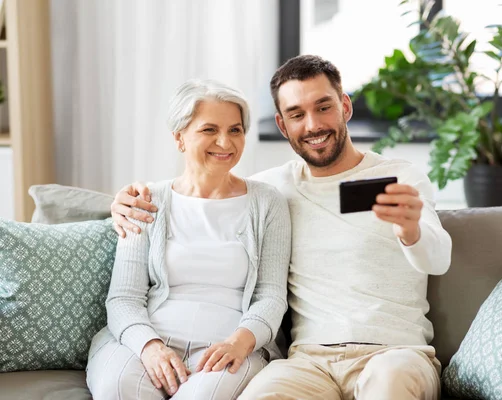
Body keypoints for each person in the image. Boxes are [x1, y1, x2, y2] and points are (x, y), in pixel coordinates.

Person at [111, 55, 452, 400]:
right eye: (296, 115)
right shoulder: (272, 191)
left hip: (393, 355)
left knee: (388, 388)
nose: (313, 125)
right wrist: (123, 202)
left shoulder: (400, 176)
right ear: (281, 124)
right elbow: (205, 191)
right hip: (308, 362)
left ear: (345, 106)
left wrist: (412, 231)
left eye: (323, 107)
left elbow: (438, 260)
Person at [86, 79, 291, 400]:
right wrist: (149, 347)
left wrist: (239, 342)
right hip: (144, 341)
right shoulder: (145, 199)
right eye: (209, 130)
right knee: (118, 388)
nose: (225, 142)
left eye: (235, 130)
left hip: (228, 346)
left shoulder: (268, 202)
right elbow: (123, 297)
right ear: (179, 137)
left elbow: (271, 295)